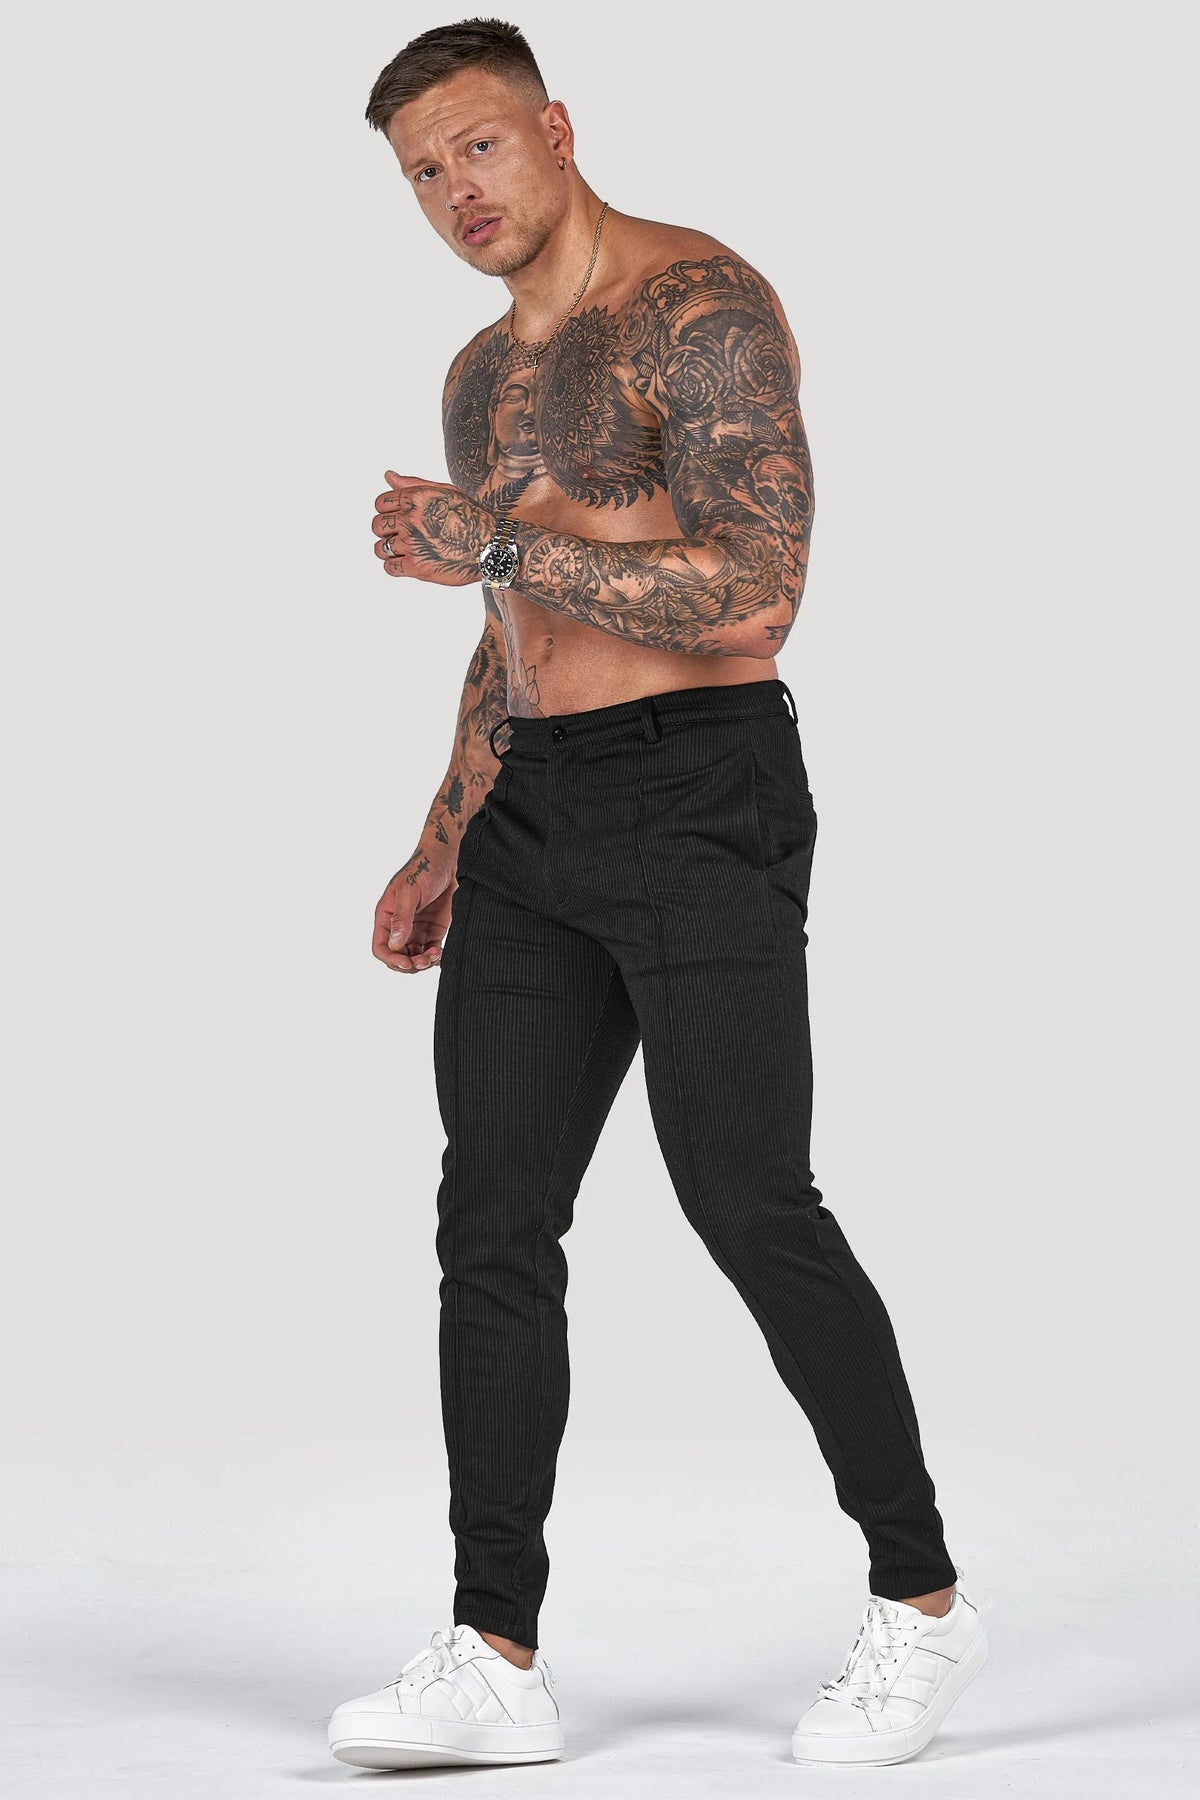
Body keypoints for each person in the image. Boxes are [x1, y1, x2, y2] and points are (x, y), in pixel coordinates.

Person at [327, 15, 990, 1775]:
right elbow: (517, 631)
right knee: (493, 1220)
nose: (456, 192)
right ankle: (494, 1649)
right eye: (421, 173)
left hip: (703, 793)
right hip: (534, 814)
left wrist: (490, 541)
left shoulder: (701, 304)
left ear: (556, 128)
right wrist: (443, 834)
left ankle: (922, 1603)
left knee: (749, 1199)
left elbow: (758, 593)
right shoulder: (479, 372)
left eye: (477, 146)